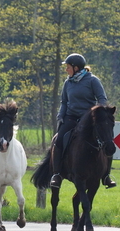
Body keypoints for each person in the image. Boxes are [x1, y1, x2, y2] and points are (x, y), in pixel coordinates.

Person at [49, 53, 116, 189]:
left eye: (68, 67)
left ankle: (106, 176)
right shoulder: (68, 82)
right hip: (71, 117)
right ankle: (56, 174)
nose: (66, 70)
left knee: (106, 140)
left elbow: (102, 99)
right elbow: (64, 102)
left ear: (76, 68)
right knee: (59, 140)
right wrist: (60, 116)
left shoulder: (93, 81)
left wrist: (98, 113)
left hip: (88, 119)